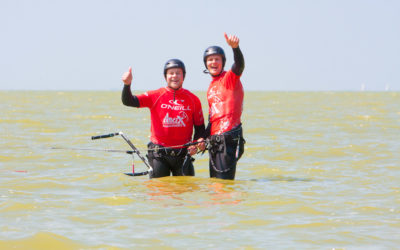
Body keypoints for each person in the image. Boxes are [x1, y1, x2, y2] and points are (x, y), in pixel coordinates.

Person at [121, 59, 205, 178]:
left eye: (178, 73)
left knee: (186, 192)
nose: (174, 76)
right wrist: (127, 84)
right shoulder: (155, 95)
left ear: (183, 76)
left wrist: (196, 143)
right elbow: (128, 101)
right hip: (158, 155)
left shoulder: (193, 99)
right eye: (171, 73)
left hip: (183, 155)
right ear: (165, 76)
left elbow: (200, 129)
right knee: (159, 193)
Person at [200, 33, 245, 180]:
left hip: (228, 139)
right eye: (210, 60)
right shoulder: (211, 87)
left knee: (223, 186)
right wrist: (202, 138)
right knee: (214, 186)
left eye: (216, 59)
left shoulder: (229, 79)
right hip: (214, 141)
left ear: (223, 62)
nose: (213, 62)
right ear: (206, 64)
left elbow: (239, 65)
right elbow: (213, 118)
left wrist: (235, 48)